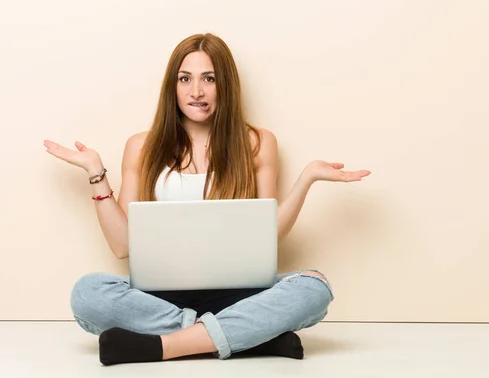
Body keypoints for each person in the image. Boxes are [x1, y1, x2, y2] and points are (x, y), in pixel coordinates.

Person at [44, 33, 371, 366]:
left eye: (209, 79)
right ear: (172, 86)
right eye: (185, 79)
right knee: (88, 293)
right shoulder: (142, 146)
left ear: (224, 85)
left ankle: (165, 346)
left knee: (314, 288)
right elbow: (122, 246)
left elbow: (268, 236)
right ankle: (246, 338)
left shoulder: (257, 143)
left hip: (239, 293)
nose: (196, 91)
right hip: (161, 296)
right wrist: (96, 172)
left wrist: (307, 179)